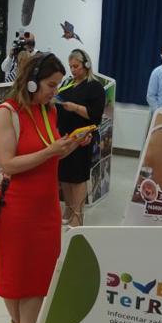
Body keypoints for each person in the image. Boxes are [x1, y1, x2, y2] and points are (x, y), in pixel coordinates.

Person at [0, 52, 89, 323]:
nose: (55, 91)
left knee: (39, 273)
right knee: (14, 274)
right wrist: (50, 151)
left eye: (58, 85)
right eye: (50, 85)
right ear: (31, 82)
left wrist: (71, 144)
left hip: (46, 207)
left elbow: (51, 157)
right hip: (17, 208)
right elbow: (8, 164)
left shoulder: (49, 111)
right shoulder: (6, 113)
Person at [56, 49, 106, 228]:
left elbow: (95, 116)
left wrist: (75, 107)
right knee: (64, 176)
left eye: (76, 66)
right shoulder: (67, 84)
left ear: (87, 65)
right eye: (70, 66)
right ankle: (69, 208)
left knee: (77, 177)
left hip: (83, 137)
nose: (73, 70)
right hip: (64, 136)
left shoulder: (95, 87)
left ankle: (78, 214)